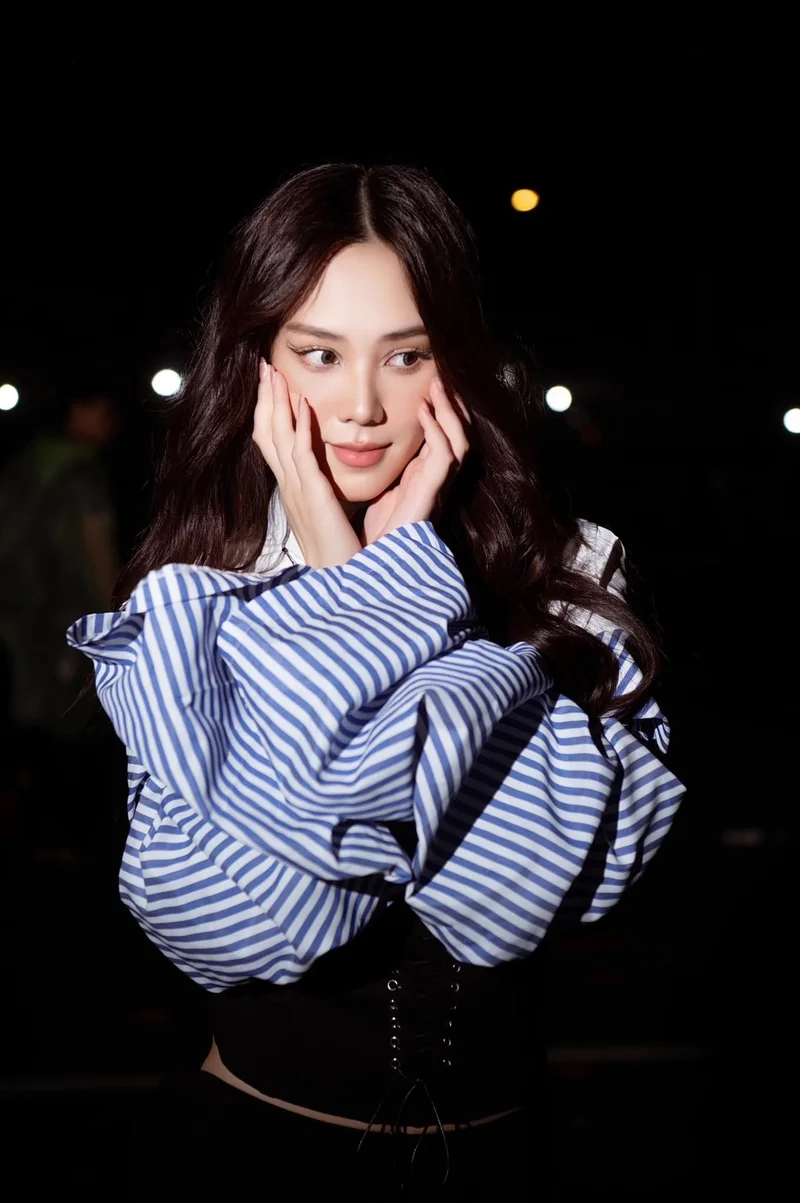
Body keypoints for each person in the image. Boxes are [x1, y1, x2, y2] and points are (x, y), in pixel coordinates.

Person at [66, 164, 684, 1200]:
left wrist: (379, 593)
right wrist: (368, 589)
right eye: (319, 353)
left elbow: (521, 898)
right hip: (247, 1166)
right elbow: (253, 930)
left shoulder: (569, 574)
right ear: (257, 365)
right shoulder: (187, 605)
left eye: (406, 355)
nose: (360, 406)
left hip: (505, 1166)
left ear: (459, 363)